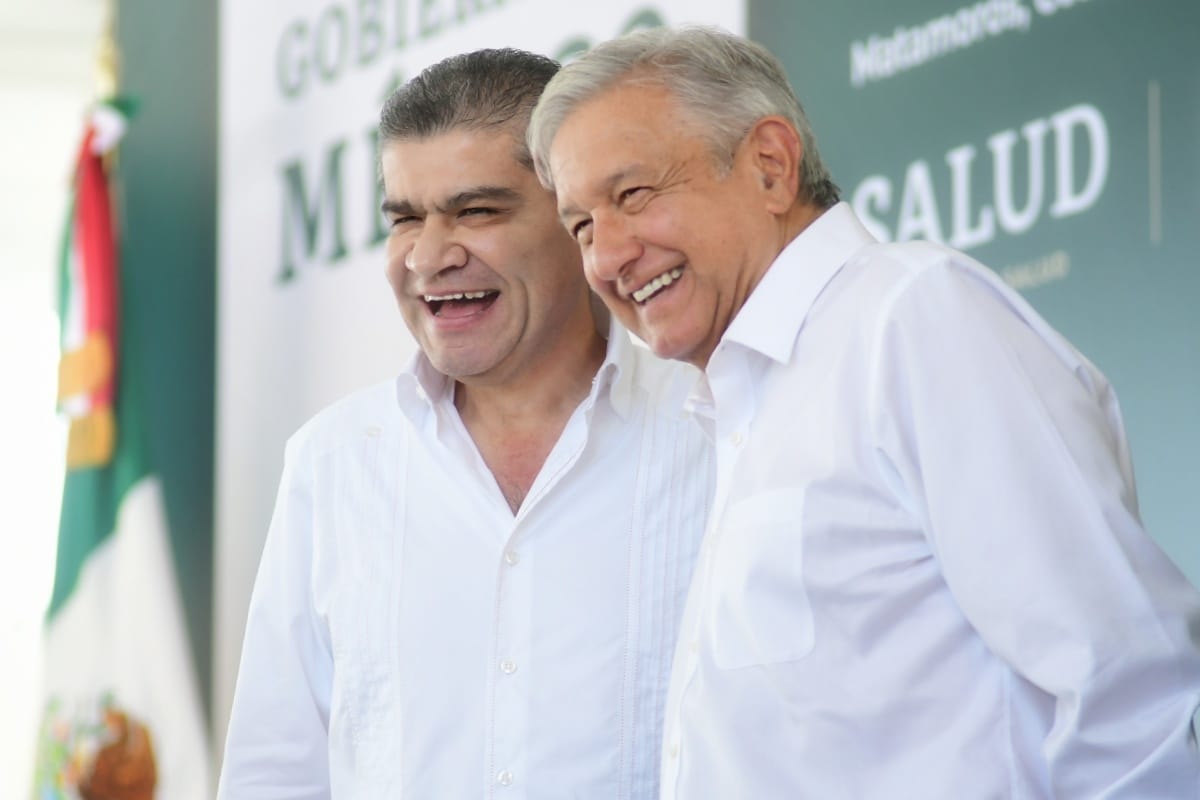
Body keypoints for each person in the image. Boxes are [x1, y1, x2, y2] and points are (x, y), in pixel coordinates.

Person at [529, 26, 1200, 799]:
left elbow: (1126, 688)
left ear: (770, 166)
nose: (606, 258)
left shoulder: (911, 317)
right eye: (581, 227)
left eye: (632, 195)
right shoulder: (734, 408)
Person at [217, 48, 712, 799]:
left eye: (476, 211)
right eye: (404, 219)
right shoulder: (332, 463)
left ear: (576, 217)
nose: (427, 257)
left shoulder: (713, 429)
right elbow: (274, 775)